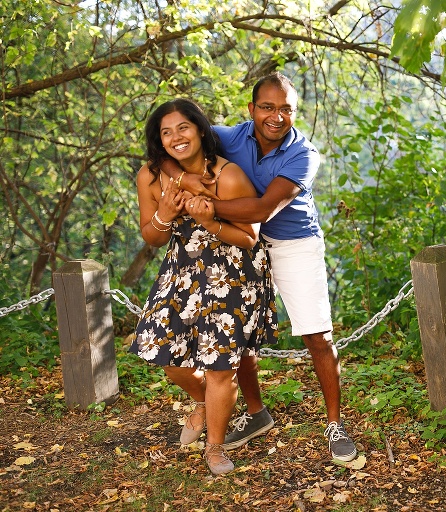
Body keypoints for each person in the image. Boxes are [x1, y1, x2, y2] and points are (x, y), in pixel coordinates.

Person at [164, 72, 357, 462]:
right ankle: (256, 414)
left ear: (295, 113)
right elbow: (170, 150)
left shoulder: (303, 154)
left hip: (291, 243)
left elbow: (264, 208)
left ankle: (335, 423)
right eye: (267, 107)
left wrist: (205, 203)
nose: (276, 116)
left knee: (317, 335)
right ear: (250, 109)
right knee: (239, 337)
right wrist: (187, 179)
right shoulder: (226, 136)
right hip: (237, 242)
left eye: (286, 109)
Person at [131, 98, 279, 475]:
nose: (176, 137)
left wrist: (209, 220)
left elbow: (249, 238)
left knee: (219, 367)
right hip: (181, 269)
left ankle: (215, 447)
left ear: (200, 129)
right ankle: (203, 402)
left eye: (183, 127)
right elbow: (151, 236)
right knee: (160, 351)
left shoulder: (226, 176)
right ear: (159, 142)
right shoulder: (150, 176)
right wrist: (165, 213)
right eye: (166, 132)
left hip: (232, 273)